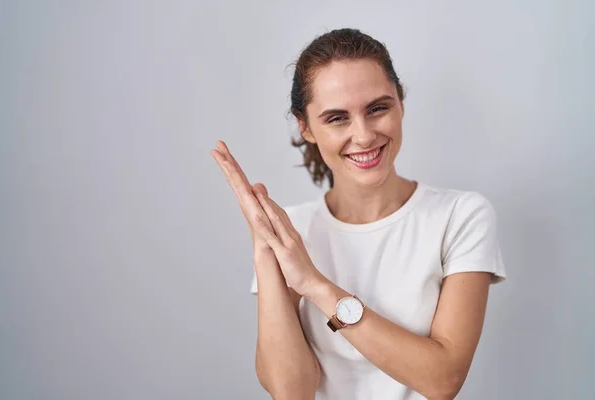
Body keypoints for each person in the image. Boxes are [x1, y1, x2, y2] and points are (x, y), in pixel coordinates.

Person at [211, 28, 506, 400]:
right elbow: (291, 392)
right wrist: (265, 255)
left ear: (401, 103)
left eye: (378, 108)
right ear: (306, 128)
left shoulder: (461, 216)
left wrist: (315, 285)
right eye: (337, 118)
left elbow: (442, 379)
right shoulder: (291, 232)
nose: (364, 135)